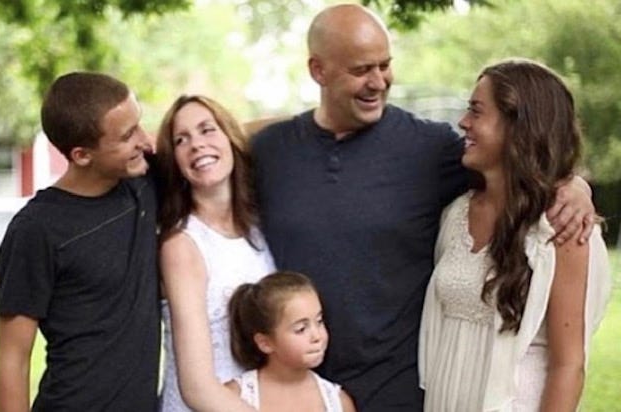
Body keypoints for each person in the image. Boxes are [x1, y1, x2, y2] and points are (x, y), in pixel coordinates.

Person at [250, 4, 596, 410]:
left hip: (400, 392)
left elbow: (516, 159)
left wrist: (573, 184)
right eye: (362, 70)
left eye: (385, 65)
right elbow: (207, 145)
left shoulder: (431, 150)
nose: (378, 81)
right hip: (297, 393)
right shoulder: (271, 151)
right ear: (318, 71)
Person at [418, 59, 611, 411]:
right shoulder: (456, 214)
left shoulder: (561, 225)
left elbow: (568, 365)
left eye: (477, 112)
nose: (463, 123)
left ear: (518, 125)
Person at [0, 72, 161, 411]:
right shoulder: (36, 229)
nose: (144, 140)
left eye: (139, 124)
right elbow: (13, 358)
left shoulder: (143, 183)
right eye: (128, 135)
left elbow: (227, 135)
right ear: (82, 155)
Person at [155, 95, 275, 412]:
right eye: (182, 140)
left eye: (208, 130)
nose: (196, 145)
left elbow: (285, 127)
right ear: (175, 162)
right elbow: (196, 388)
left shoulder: (259, 230)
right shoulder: (181, 245)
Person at [225, 271, 357, 412]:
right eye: (301, 329)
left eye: (319, 321)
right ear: (265, 343)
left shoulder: (338, 402)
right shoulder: (234, 397)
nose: (317, 336)